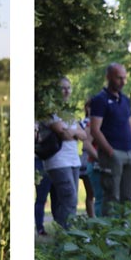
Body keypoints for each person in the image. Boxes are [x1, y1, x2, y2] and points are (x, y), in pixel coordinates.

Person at [39, 77, 90, 233]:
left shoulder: (70, 112)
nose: (67, 90)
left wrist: (72, 132)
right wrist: (74, 133)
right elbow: (64, 133)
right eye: (63, 88)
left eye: (69, 87)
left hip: (74, 161)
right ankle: (69, 235)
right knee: (70, 198)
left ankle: (64, 233)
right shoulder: (50, 111)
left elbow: (84, 135)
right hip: (58, 161)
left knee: (66, 201)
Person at [88, 63, 131, 215]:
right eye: (119, 78)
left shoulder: (125, 100)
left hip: (130, 153)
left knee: (128, 197)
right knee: (111, 197)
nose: (122, 82)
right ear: (108, 77)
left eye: (124, 78)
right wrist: (110, 152)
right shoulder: (99, 100)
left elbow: (130, 125)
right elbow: (95, 129)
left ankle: (126, 232)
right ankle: (109, 235)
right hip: (113, 154)